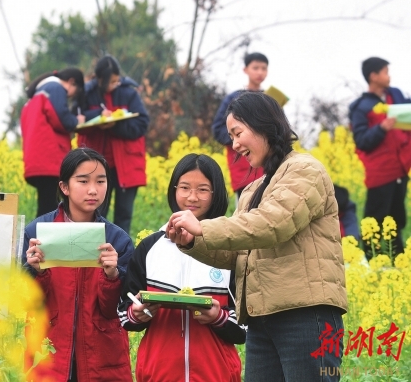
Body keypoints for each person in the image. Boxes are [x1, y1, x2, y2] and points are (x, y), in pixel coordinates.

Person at [167, 92, 347, 382]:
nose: (234, 144)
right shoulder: (253, 189)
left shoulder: (305, 169)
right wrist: (192, 241)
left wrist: (205, 227)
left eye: (238, 133)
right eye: (230, 136)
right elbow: (236, 252)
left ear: (262, 124)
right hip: (262, 318)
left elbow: (274, 224)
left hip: (305, 315)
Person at [118, 153, 245, 382]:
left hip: (216, 374)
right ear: (174, 189)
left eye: (203, 190)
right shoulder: (150, 247)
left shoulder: (229, 249)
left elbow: (245, 328)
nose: (192, 197)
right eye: (184, 187)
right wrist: (138, 313)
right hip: (159, 375)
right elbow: (125, 313)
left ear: (216, 193)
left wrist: (218, 317)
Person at [22, 148, 134, 381]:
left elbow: (118, 310)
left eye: (101, 181)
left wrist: (112, 275)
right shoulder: (37, 232)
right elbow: (26, 302)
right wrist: (36, 272)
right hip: (49, 352)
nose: (93, 190)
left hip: (101, 356)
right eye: (83, 181)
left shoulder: (117, 239)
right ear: (64, 187)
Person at [76, 55, 149, 235]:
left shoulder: (129, 93)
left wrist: (115, 126)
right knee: (95, 214)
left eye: (117, 81)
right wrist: (98, 117)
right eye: (111, 82)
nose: (115, 85)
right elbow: (76, 119)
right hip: (96, 165)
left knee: (124, 216)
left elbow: (141, 124)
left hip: (127, 165)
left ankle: (120, 259)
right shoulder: (86, 94)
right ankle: (91, 259)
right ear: (100, 79)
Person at [348, 57, 411, 259]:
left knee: (397, 221)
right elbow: (362, 141)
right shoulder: (361, 107)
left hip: (401, 169)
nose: (388, 76)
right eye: (385, 72)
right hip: (380, 173)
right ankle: (369, 261)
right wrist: (382, 128)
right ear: (373, 76)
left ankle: (398, 263)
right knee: (374, 221)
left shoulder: (396, 95)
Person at [21, 68, 85, 217]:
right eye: (73, 93)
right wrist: (77, 121)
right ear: (71, 82)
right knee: (50, 210)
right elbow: (61, 118)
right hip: (49, 159)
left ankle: (37, 238)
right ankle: (40, 240)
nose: (69, 98)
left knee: (46, 207)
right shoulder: (55, 88)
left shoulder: (36, 95)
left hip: (37, 160)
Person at [211, 52, 267, 198]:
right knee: (244, 214)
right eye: (255, 68)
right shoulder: (234, 98)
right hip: (243, 168)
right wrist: (241, 138)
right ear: (246, 70)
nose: (260, 72)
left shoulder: (269, 98)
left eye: (264, 68)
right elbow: (218, 129)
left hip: (269, 167)